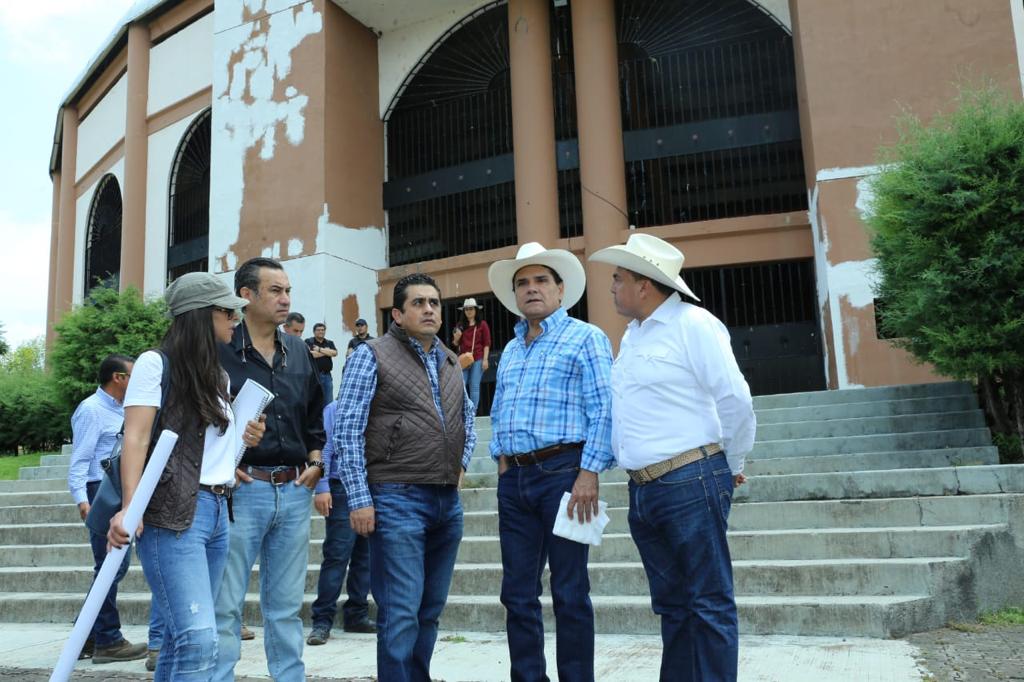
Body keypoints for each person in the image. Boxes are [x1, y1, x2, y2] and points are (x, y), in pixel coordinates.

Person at [590, 233, 756, 682]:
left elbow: (735, 399)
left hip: (690, 478)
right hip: (645, 489)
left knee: (708, 602)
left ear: (644, 285)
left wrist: (732, 463)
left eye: (618, 278)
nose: (611, 287)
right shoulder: (634, 335)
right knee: (673, 607)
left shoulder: (693, 324)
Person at [106, 272, 266, 680]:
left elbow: (207, 449)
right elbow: (136, 437)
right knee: (198, 640)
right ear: (201, 314)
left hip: (218, 510)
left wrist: (242, 440)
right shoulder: (154, 363)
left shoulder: (218, 375)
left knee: (182, 640)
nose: (235, 319)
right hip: (173, 514)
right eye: (228, 311)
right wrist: (130, 506)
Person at [335, 272, 476, 682]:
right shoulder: (371, 354)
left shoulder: (449, 359)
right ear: (397, 314)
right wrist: (359, 498)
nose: (429, 309)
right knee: (400, 612)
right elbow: (347, 428)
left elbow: (467, 417)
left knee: (429, 610)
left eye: (434, 302)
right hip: (396, 497)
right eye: (418, 303)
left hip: (446, 502)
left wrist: (461, 466)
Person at [486, 243, 614, 682]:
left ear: (561, 290)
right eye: (522, 282)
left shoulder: (586, 337)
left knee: (569, 591)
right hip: (515, 480)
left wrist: (589, 472)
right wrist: (502, 461)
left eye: (541, 280)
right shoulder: (511, 349)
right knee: (517, 594)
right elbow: (499, 409)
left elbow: (604, 409)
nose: (531, 288)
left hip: (565, 474)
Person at [213, 257, 326, 682]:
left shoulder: (298, 350)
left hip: (294, 491)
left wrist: (317, 461)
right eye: (276, 291)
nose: (286, 299)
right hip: (240, 492)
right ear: (246, 295)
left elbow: (314, 415)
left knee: (285, 607)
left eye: (288, 291)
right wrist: (225, 464)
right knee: (225, 605)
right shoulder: (220, 349)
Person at [68, 354, 148, 665]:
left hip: (117, 488)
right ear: (118, 378)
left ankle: (86, 635)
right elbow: (79, 460)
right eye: (133, 376)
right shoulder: (91, 410)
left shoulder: (125, 409)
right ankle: (108, 640)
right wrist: (82, 501)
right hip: (99, 491)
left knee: (114, 566)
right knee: (110, 565)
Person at [306, 398, 375, 646]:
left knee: (366, 556)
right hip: (341, 487)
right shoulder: (335, 409)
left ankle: (357, 614)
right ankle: (322, 620)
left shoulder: (379, 405)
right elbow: (324, 448)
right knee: (337, 555)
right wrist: (322, 487)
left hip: (373, 486)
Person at [451, 298, 491, 414]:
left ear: (476, 310)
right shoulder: (460, 325)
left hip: (478, 358)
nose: (468, 311)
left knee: (474, 386)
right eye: (466, 309)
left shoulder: (482, 324)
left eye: (471, 309)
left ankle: (472, 413)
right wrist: (456, 338)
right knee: (461, 385)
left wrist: (485, 360)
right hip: (464, 359)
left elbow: (486, 343)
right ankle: (463, 411)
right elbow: (455, 344)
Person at [306, 322, 339, 401]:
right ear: (314, 331)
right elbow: (311, 355)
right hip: (314, 376)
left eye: (323, 330)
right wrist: (327, 352)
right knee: (315, 400)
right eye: (318, 330)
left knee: (328, 400)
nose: (321, 331)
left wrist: (319, 349)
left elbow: (335, 353)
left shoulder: (329, 342)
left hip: (327, 376)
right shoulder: (309, 341)